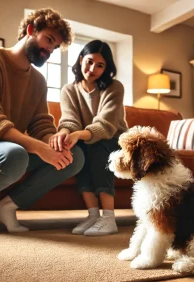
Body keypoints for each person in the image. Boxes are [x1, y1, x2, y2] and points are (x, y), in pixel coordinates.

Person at [0, 8, 84, 234]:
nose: (50, 50)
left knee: (74, 157)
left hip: (8, 145)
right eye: (48, 39)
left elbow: (40, 124)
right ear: (30, 30)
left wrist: (54, 141)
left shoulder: (38, 81)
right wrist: (38, 147)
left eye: (55, 47)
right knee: (15, 154)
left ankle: (7, 206)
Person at [49, 40, 128, 236]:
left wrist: (78, 134)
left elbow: (106, 125)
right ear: (81, 59)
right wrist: (64, 134)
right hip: (85, 138)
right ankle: (93, 215)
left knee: (96, 146)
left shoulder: (115, 87)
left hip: (114, 139)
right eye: (90, 62)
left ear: (106, 68)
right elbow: (69, 120)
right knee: (77, 151)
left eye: (100, 65)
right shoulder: (69, 89)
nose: (93, 69)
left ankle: (109, 217)